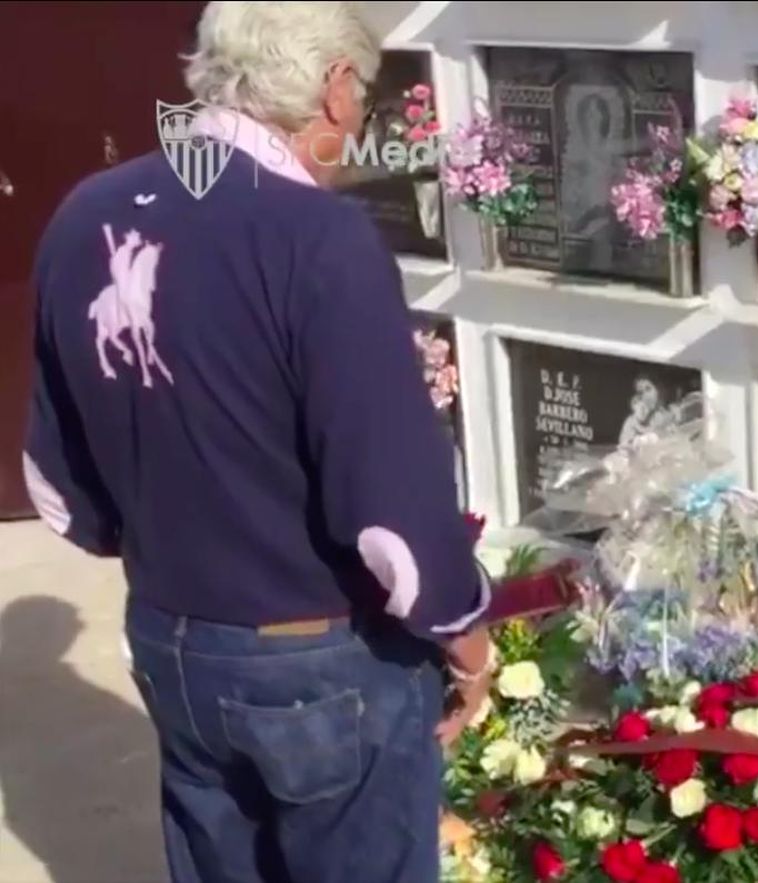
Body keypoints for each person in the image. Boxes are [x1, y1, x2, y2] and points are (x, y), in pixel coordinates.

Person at [23, 3, 493, 881]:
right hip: (318, 657)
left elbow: (56, 484)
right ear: (335, 87)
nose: (360, 125)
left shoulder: (86, 211)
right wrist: (465, 634)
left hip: (171, 638)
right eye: (365, 98)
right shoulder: (318, 236)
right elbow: (392, 507)